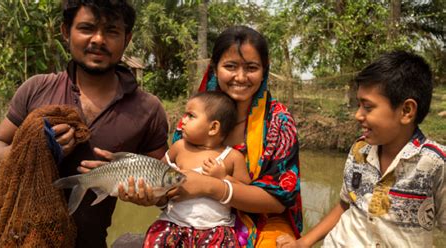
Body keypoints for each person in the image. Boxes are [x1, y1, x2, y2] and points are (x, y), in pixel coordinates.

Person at [0, 1, 168, 247]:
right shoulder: (37, 88)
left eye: (111, 31)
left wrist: (150, 196)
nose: (99, 39)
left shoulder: (148, 109)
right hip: (21, 240)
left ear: (127, 39)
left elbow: (166, 189)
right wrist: (36, 150)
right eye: (87, 28)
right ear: (66, 32)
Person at [116, 25, 303, 247]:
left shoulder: (278, 122)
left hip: (259, 224)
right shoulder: (195, 118)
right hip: (186, 224)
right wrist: (152, 196)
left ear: (264, 70)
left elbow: (278, 202)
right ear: (215, 68)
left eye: (251, 67)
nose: (241, 77)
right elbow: (171, 182)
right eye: (230, 66)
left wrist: (210, 186)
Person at [276, 51, 446, 248]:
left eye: (368, 107)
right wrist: (303, 243)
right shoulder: (360, 150)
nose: (358, 115)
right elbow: (345, 204)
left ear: (406, 111)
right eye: (359, 105)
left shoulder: (434, 163)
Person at [144, 91, 251, 247]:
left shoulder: (233, 157)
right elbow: (154, 173)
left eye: (191, 116)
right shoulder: (179, 148)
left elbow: (246, 192)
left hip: (216, 231)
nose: (183, 121)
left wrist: (224, 178)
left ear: (213, 127)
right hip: (172, 224)